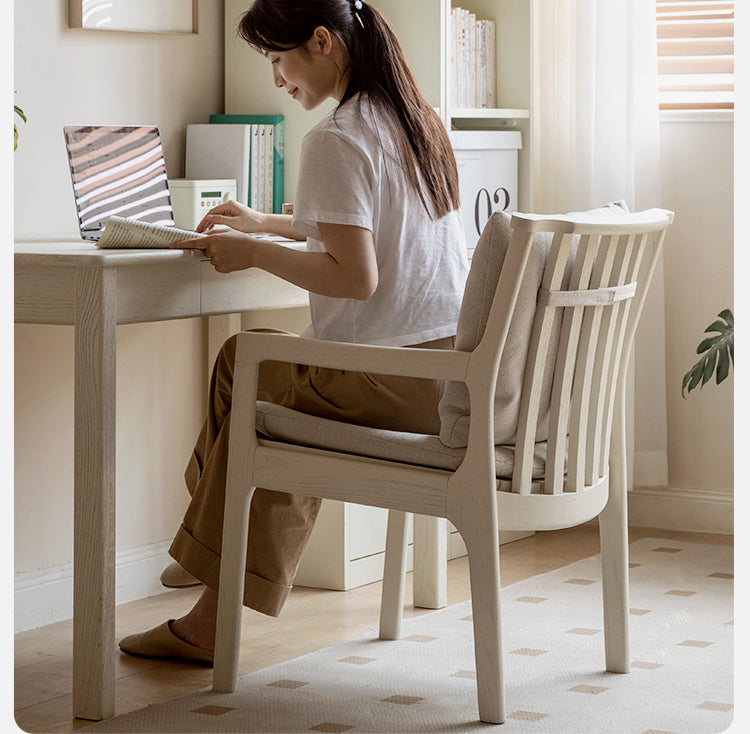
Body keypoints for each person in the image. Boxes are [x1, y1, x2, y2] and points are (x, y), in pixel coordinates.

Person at [119, 0, 468, 664]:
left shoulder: (335, 137)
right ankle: (210, 550)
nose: (279, 81)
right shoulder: (418, 122)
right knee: (246, 370)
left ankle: (208, 596)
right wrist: (263, 224)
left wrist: (250, 253)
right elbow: (362, 230)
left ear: (321, 43)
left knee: (250, 376)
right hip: (446, 373)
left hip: (393, 380)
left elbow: (353, 275)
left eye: (279, 62)